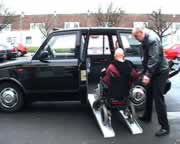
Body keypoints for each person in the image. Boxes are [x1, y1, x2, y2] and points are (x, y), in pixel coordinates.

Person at [132, 26, 170, 137]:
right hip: (153, 71)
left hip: (160, 72)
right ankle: (147, 116)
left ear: (140, 33)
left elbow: (154, 59)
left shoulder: (152, 40)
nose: (137, 40)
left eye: (137, 37)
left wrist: (147, 75)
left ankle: (165, 127)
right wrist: (143, 72)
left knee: (158, 99)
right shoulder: (145, 40)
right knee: (148, 94)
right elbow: (146, 58)